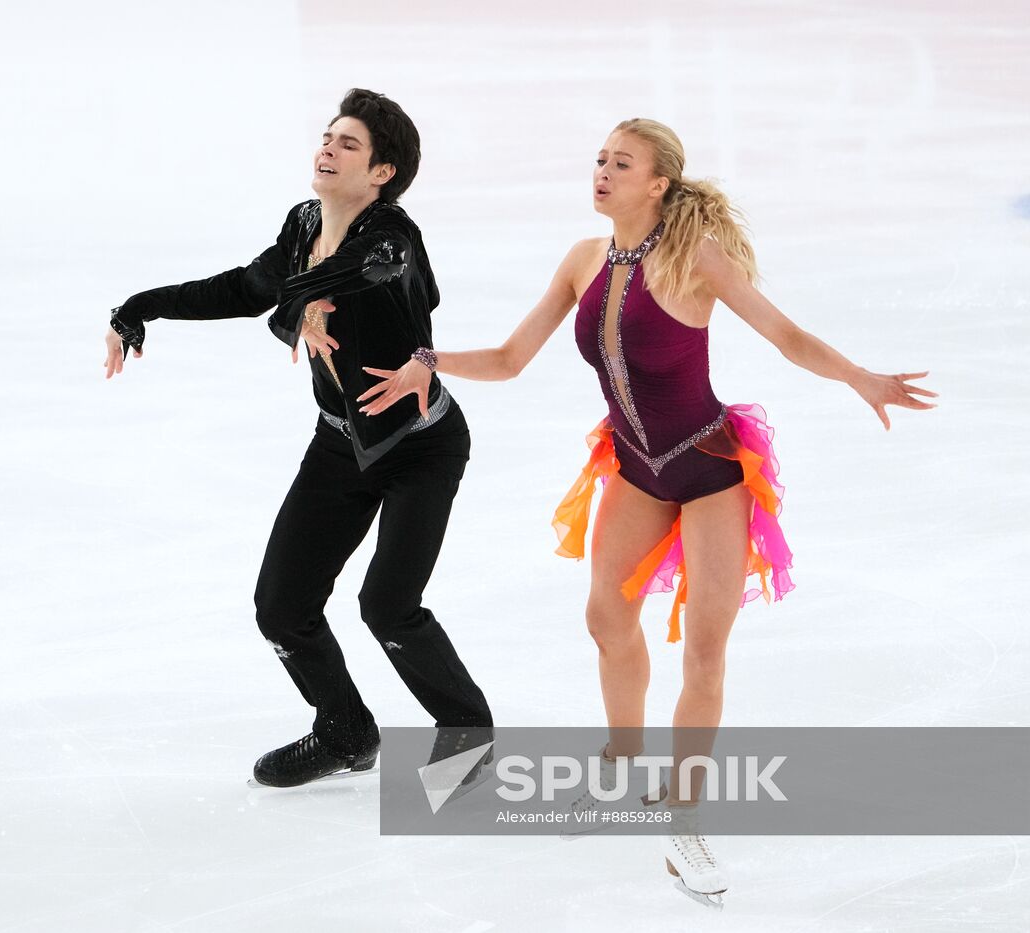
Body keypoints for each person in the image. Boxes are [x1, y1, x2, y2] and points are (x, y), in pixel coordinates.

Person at [356, 117, 935, 903]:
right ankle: (624, 756)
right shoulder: (582, 260)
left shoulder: (696, 259)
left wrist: (860, 376)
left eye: (620, 163)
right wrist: (429, 360)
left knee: (703, 653)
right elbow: (510, 358)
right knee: (605, 616)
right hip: (633, 466)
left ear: (657, 183)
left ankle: (685, 818)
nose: (601, 171)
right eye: (599, 158)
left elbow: (786, 335)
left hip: (708, 470)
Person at [103, 89, 493, 788]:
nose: (328, 149)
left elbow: (377, 281)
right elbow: (250, 287)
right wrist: (143, 307)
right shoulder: (305, 222)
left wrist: (299, 299)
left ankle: (469, 737)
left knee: (388, 605)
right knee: (281, 606)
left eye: (348, 144)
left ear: (382, 172)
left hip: (420, 447)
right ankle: (344, 728)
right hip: (340, 445)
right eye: (327, 137)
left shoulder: (391, 239)